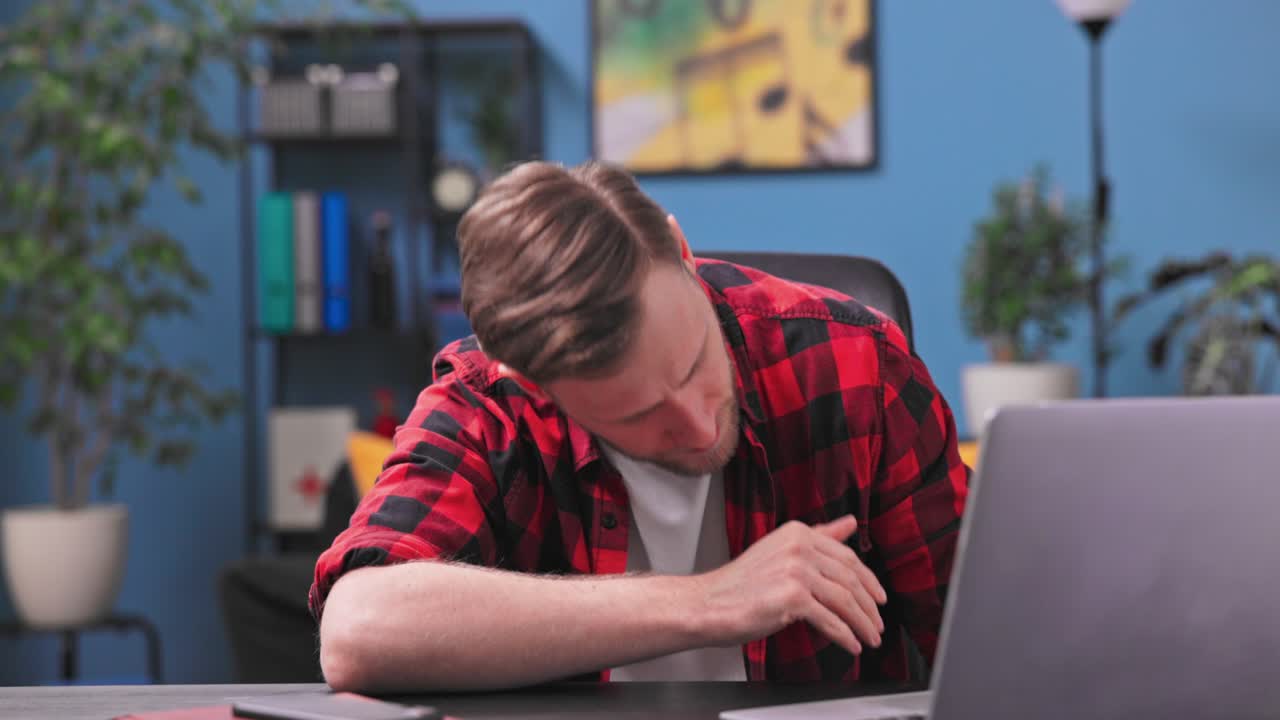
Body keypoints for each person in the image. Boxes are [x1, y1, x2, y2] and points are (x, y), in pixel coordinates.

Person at [310, 161, 970, 692]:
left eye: (694, 364)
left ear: (682, 252)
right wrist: (710, 601)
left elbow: (987, 639)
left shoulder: (854, 363)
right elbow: (358, 629)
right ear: (537, 389)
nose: (698, 423)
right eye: (638, 415)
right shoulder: (491, 406)